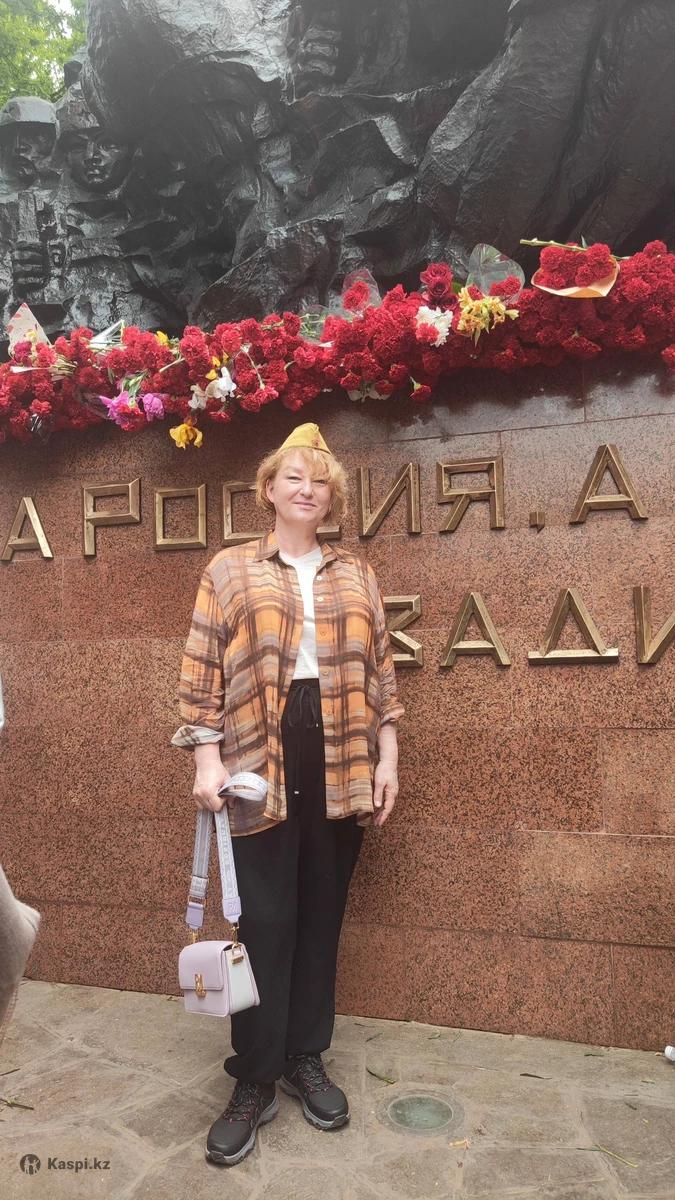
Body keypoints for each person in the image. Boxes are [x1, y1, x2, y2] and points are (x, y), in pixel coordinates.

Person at [171, 421, 404, 1167]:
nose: (307, 490)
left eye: (320, 481)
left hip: (340, 751)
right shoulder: (230, 569)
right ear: (269, 488)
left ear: (333, 498)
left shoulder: (356, 573)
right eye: (294, 478)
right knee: (265, 920)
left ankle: (306, 1057)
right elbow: (201, 669)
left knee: (320, 913)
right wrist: (206, 759)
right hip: (257, 756)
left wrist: (387, 756)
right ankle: (254, 1076)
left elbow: (381, 672)